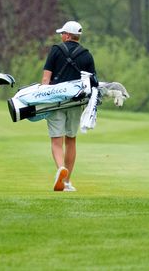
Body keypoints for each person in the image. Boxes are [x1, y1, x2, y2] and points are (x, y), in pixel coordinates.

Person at [41, 20, 96, 192]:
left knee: (57, 140)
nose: (61, 36)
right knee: (71, 140)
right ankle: (67, 182)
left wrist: (43, 99)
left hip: (55, 101)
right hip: (75, 102)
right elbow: (92, 84)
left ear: (67, 35)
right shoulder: (87, 55)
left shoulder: (56, 50)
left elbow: (45, 80)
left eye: (62, 33)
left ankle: (60, 169)